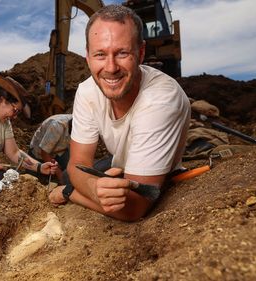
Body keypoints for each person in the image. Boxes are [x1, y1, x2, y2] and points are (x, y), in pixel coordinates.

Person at [49, 5, 190, 222]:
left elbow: (133, 208)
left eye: (122, 53)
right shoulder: (87, 91)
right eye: (100, 54)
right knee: (69, 174)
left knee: (72, 183)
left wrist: (72, 192)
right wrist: (94, 187)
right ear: (87, 57)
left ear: (140, 53)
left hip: (152, 173)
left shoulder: (160, 99)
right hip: (122, 164)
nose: (111, 67)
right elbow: (77, 163)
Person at [28, 114, 72, 184]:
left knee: (71, 170)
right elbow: (44, 153)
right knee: (33, 181)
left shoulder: (83, 124)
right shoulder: (57, 126)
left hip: (61, 150)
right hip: (39, 152)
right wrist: (60, 176)